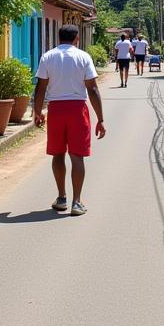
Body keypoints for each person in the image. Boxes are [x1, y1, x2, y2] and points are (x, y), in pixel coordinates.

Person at [33, 24, 107, 216]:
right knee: (77, 156)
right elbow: (92, 88)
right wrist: (100, 118)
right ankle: (76, 202)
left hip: (56, 109)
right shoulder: (83, 57)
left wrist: (37, 112)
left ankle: (61, 198)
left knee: (58, 154)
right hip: (77, 109)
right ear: (77, 39)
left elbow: (40, 86)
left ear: (59, 38)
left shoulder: (48, 56)